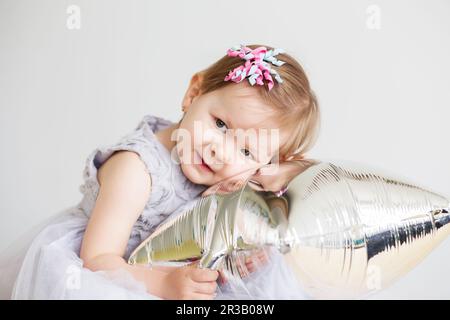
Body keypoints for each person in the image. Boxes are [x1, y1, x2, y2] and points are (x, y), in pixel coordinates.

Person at [0, 44, 320, 299]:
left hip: (174, 274)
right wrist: (166, 285)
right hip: (112, 269)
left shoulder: (233, 178)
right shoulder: (136, 169)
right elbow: (97, 260)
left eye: (247, 150)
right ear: (193, 94)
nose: (220, 151)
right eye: (220, 124)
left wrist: (239, 258)